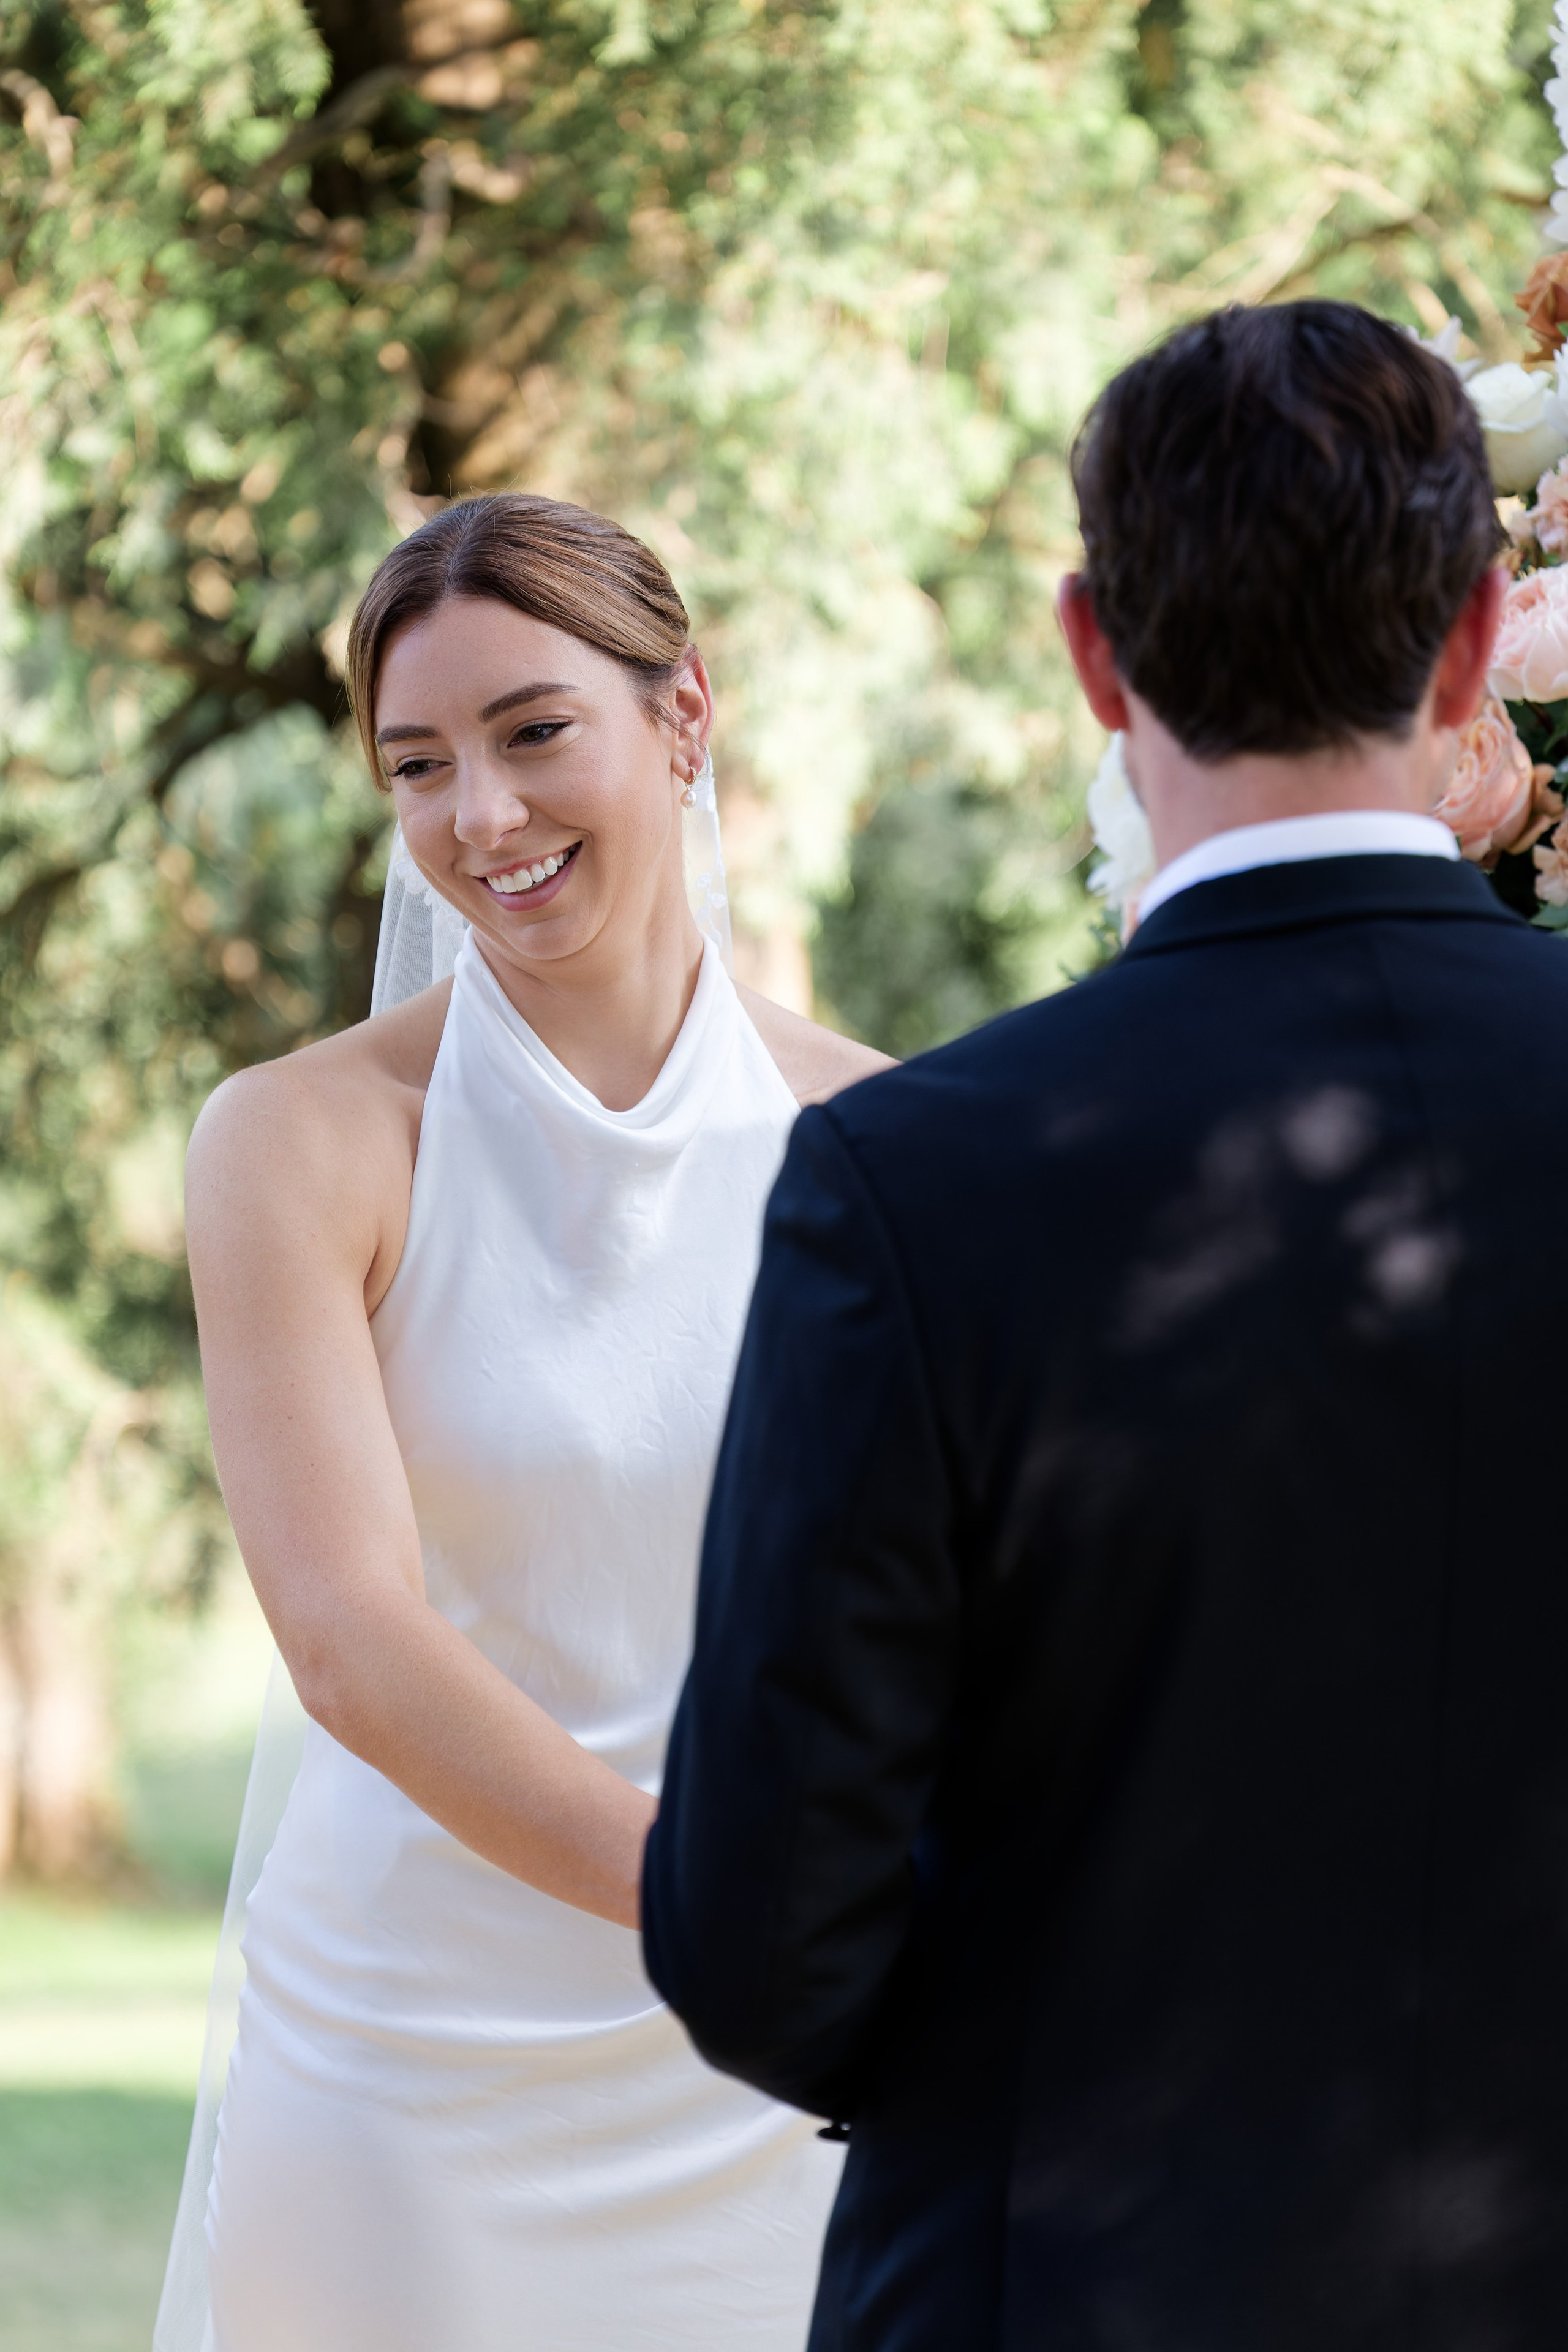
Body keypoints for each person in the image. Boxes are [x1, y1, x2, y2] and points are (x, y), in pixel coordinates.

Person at [643, 299, 1568, 2347]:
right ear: (1472, 636)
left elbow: (760, 1930)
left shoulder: (922, 1175)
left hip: (1054, 2276)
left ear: (1094, 649)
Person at [177, 493, 886, 2351]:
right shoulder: (299, 1144)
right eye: (419, 765)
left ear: (684, 716)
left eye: (533, 731)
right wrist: (724, 1902)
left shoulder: (890, 1145)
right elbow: (349, 1639)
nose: (478, 817)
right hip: (417, 2076)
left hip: (766, 2096)